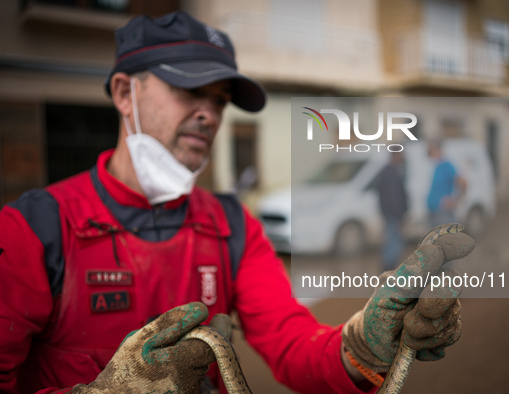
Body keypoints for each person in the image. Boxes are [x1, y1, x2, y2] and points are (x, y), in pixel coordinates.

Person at [0, 11, 475, 394]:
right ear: (126, 92)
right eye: (189, 89)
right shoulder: (34, 229)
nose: (209, 114)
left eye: (221, 99)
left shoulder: (232, 226)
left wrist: (363, 345)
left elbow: (292, 343)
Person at [376, 152, 408, 271]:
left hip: (389, 213)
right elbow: (395, 196)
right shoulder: (393, 173)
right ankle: (388, 269)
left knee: (390, 240)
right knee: (394, 242)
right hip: (394, 214)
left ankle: (387, 268)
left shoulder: (386, 172)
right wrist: (400, 215)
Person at [427, 139, 466, 227]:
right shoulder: (435, 164)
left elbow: (463, 182)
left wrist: (456, 200)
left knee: (444, 240)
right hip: (433, 211)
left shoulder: (447, 165)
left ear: (435, 149)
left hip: (443, 213)